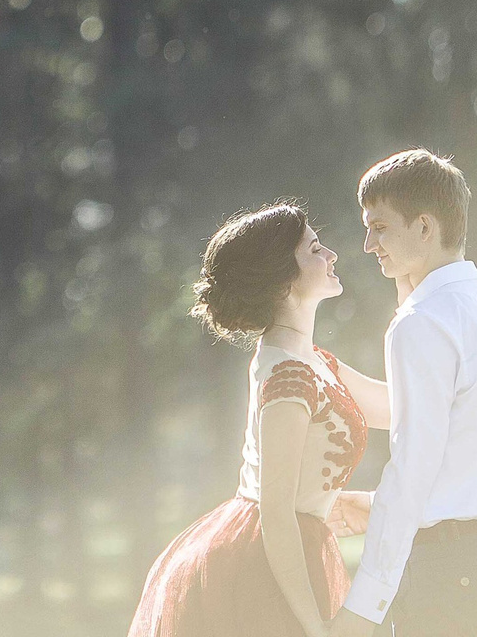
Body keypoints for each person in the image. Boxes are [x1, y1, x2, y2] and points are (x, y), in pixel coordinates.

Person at [129, 202, 388, 637]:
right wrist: (314, 627)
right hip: (264, 568)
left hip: (294, 550)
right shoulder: (288, 374)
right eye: (315, 249)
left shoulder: (314, 362)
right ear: (285, 279)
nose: (332, 256)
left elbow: (404, 409)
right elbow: (277, 513)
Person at [328, 150, 477, 637]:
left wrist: (364, 605)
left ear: (424, 228)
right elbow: (451, 426)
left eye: (380, 228)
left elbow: (413, 466)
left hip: (450, 577)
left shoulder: (422, 324)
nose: (368, 244)